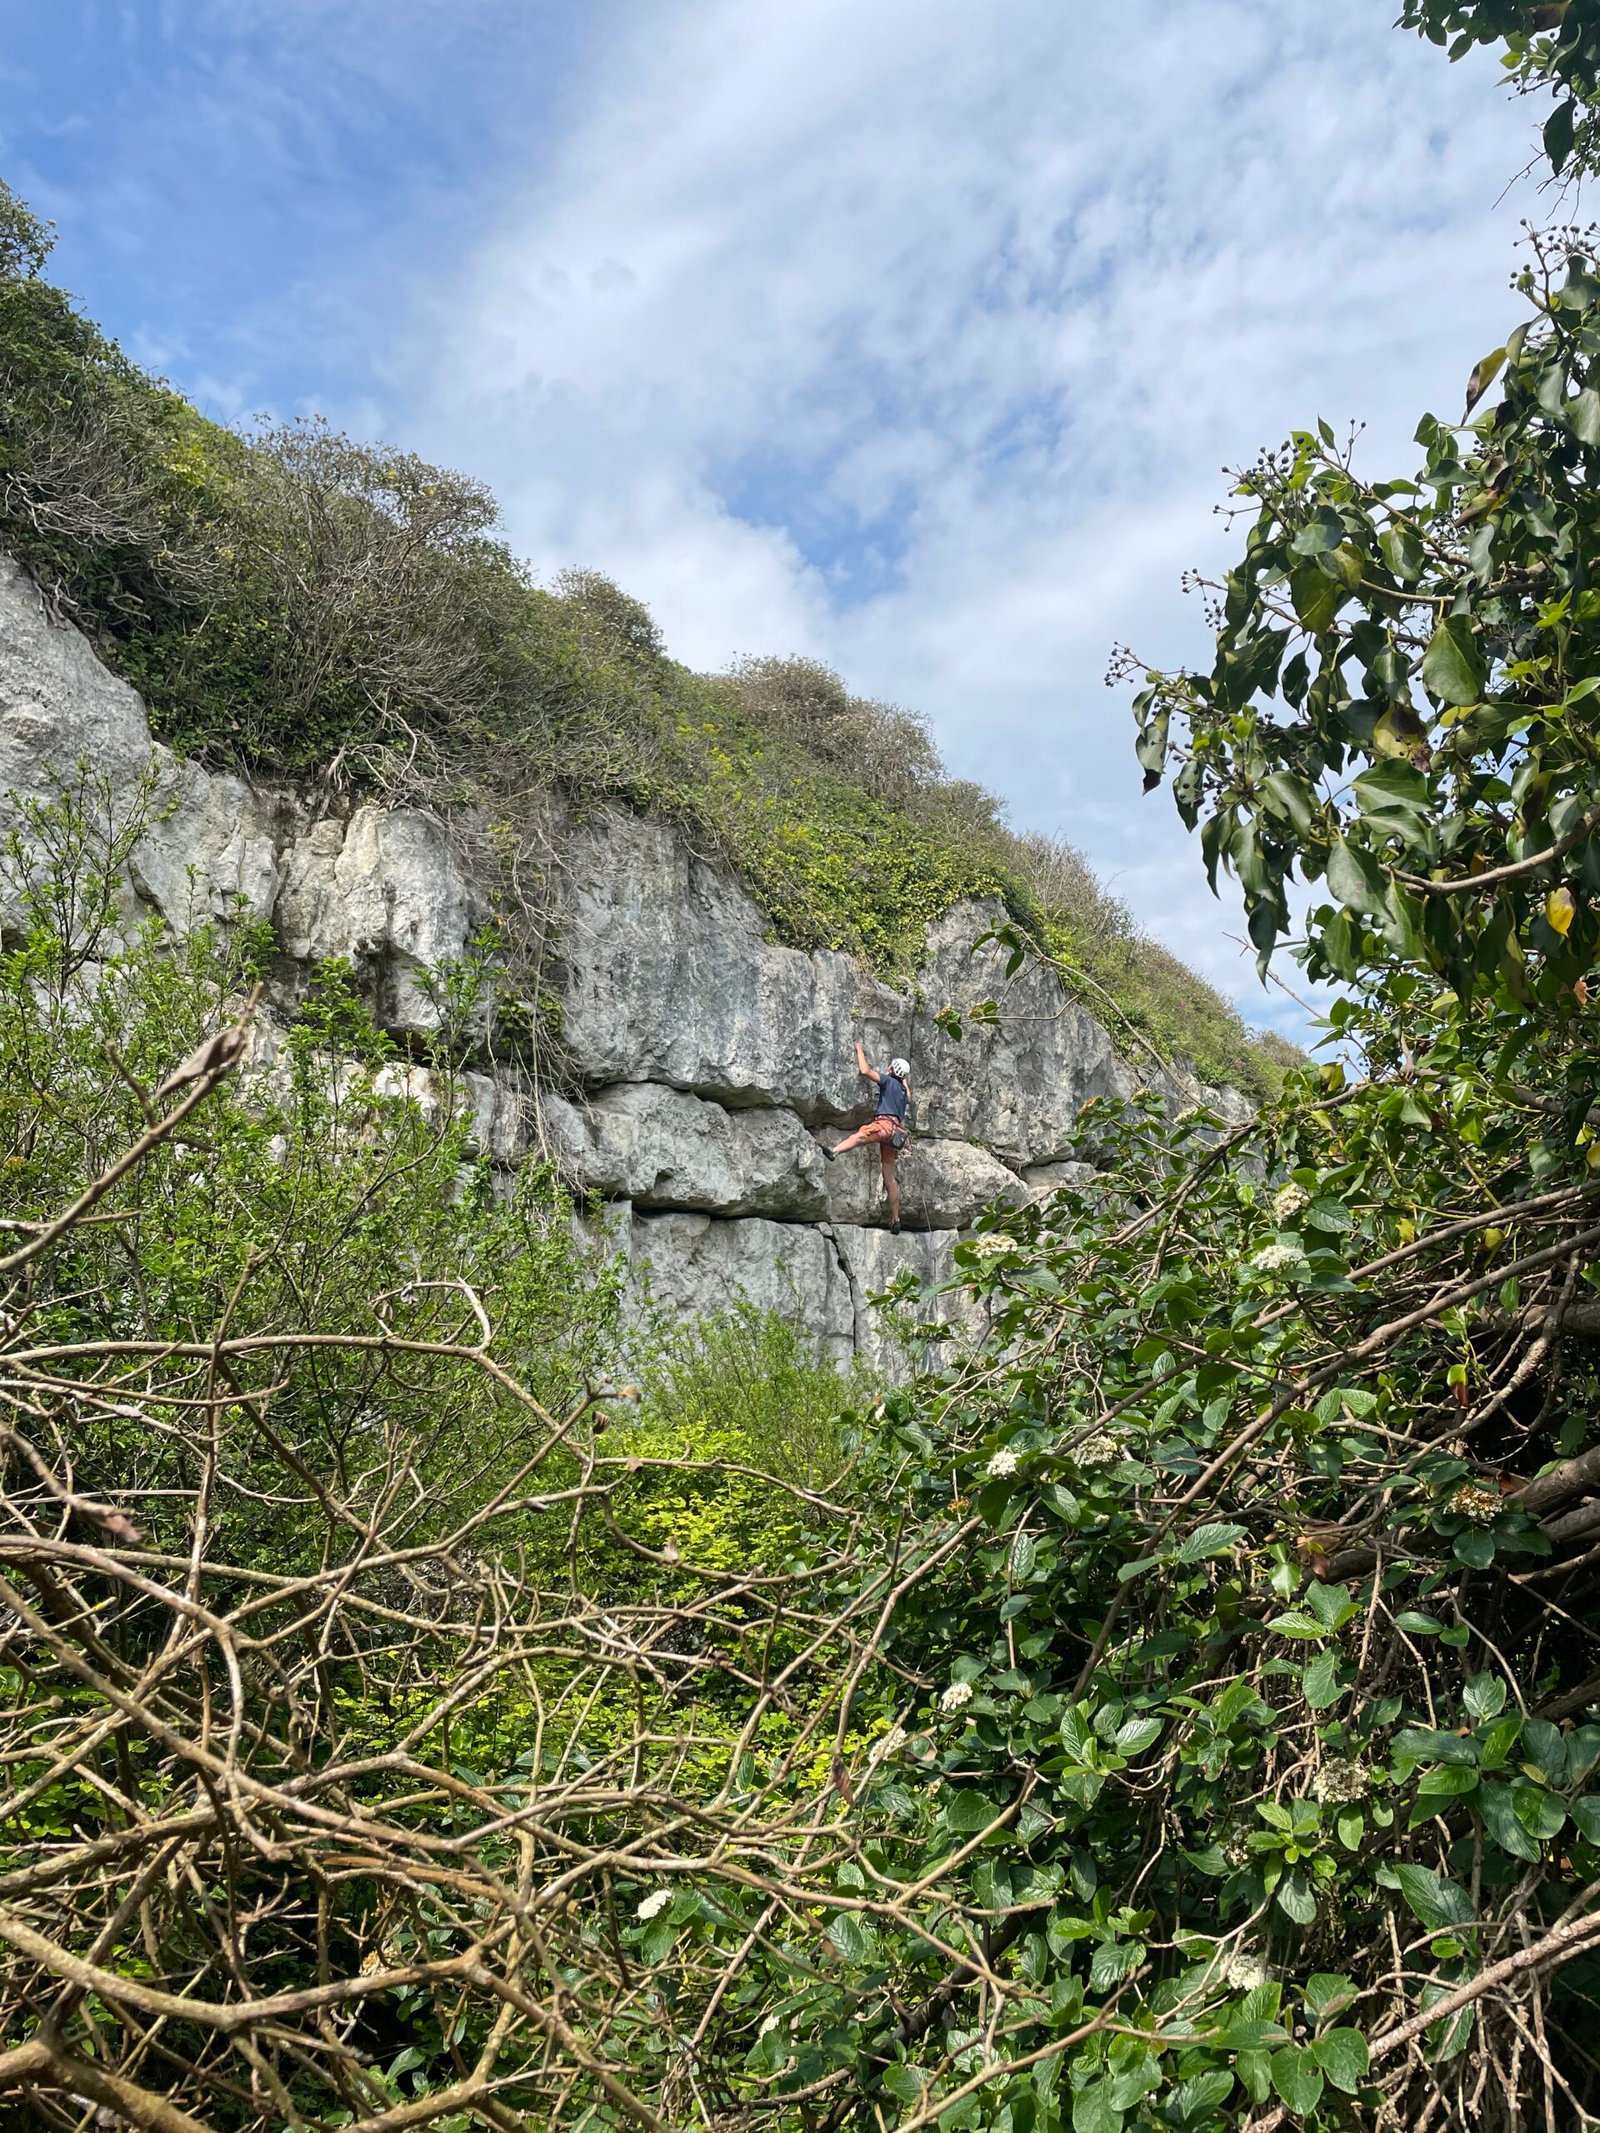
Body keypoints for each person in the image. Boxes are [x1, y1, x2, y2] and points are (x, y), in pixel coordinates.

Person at [822, 1041, 911, 1233]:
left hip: (884, 1125)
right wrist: (904, 1079)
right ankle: (896, 1218)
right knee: (889, 1179)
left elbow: (865, 1071)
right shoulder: (904, 1092)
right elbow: (909, 1096)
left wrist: (859, 1050)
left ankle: (834, 1151)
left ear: (892, 1069)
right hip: (895, 1135)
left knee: (861, 1136)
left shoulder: (888, 1081)